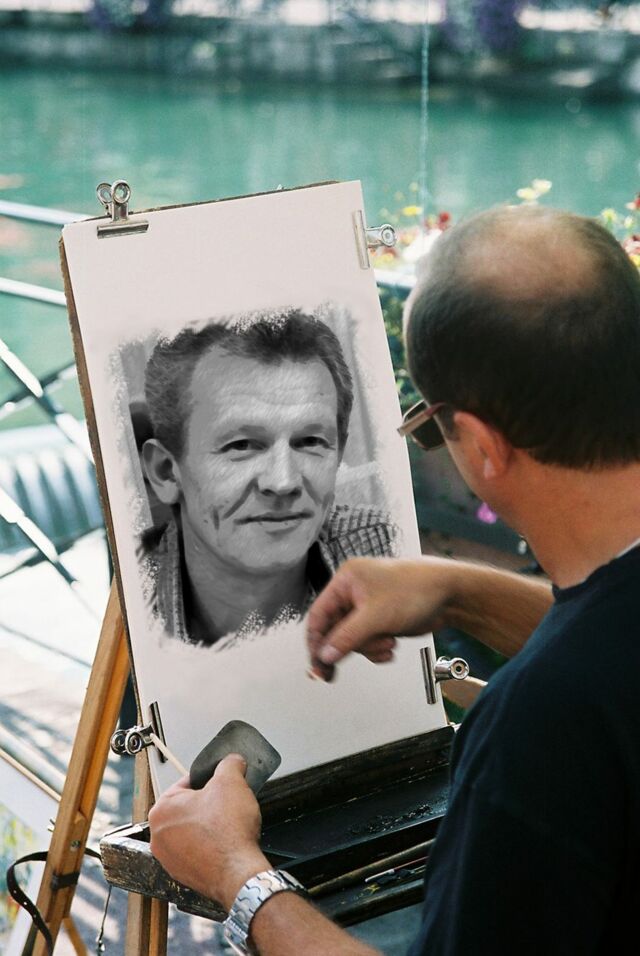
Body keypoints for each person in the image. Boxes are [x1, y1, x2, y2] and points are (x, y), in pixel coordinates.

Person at [148, 204, 640, 954]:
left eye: (430, 427)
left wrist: (238, 877)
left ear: (480, 444)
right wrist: (460, 590)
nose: (280, 481)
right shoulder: (583, 684)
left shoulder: (536, 731)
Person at [140, 308, 397, 648]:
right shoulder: (129, 615)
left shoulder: (390, 550)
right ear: (166, 472)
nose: (283, 482)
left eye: (310, 442)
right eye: (242, 445)